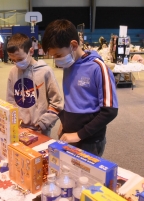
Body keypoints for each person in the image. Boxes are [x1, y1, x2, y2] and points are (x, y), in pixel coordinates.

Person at [42, 19, 118, 156]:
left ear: (73, 45)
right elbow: (72, 99)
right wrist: (64, 123)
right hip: (68, 134)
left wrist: (79, 134)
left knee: (86, 176)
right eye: (54, 57)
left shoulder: (98, 68)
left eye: (58, 55)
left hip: (90, 140)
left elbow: (110, 111)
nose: (57, 61)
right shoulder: (68, 66)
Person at [6, 33, 63, 136]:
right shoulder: (13, 72)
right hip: (18, 128)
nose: (16, 63)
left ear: (31, 51)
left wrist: (43, 124)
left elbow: (57, 102)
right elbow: (10, 100)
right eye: (13, 60)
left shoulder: (45, 71)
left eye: (19, 59)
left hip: (40, 130)